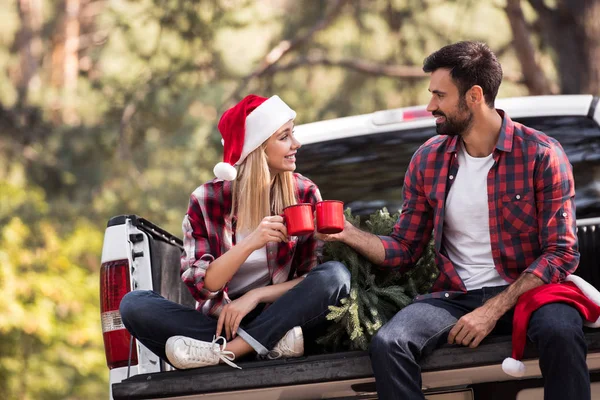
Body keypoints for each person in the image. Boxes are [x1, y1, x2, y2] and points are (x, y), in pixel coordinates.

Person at [317, 41, 584, 399]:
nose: (430, 106)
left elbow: (561, 253)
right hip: (456, 296)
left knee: (561, 332)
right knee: (390, 343)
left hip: (530, 293)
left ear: (474, 96)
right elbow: (405, 249)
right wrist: (348, 233)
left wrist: (492, 310)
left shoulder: (541, 155)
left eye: (439, 95)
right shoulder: (428, 160)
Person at [120, 94, 350, 370]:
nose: (296, 144)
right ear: (258, 148)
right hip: (222, 325)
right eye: (284, 137)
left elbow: (310, 279)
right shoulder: (207, 199)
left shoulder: (304, 193)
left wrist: (256, 296)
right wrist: (251, 243)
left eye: (293, 134)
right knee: (135, 305)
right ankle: (266, 347)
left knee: (336, 275)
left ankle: (229, 353)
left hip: (283, 318)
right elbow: (204, 285)